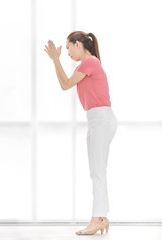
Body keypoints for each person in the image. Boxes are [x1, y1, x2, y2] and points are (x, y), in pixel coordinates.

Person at [44, 31, 117, 235]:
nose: (66, 52)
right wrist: (56, 61)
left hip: (101, 119)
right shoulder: (86, 65)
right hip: (97, 120)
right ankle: (101, 218)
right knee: (97, 171)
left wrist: (55, 60)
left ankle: (97, 220)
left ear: (77, 44)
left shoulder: (90, 62)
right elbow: (64, 85)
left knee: (97, 172)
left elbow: (66, 84)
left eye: (68, 47)